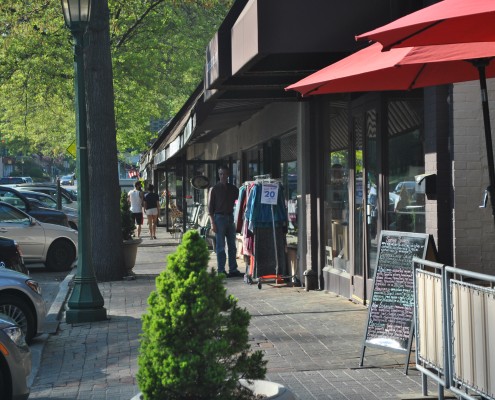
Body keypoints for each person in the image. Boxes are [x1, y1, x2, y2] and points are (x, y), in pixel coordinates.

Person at [208, 165, 243, 277]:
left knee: (232, 245)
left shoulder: (233, 189)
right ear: (218, 175)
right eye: (220, 174)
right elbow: (210, 209)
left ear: (228, 175)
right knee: (220, 246)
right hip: (219, 218)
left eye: (224, 174)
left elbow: (240, 203)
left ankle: (233, 269)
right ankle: (221, 270)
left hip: (230, 218)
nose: (222, 176)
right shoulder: (214, 189)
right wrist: (212, 223)